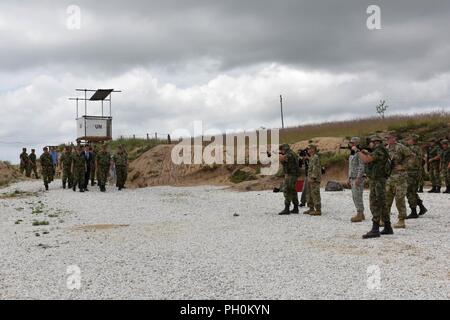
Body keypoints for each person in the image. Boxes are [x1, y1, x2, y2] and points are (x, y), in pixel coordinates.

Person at [357, 135, 391, 239]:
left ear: (375, 142)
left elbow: (367, 160)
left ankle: (375, 229)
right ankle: (387, 227)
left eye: (371, 142)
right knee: (382, 203)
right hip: (378, 180)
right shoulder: (380, 150)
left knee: (375, 203)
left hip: (378, 180)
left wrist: (358, 151)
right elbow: (371, 158)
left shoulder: (379, 150)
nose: (369, 144)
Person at [384, 132, 412, 229]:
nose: (387, 139)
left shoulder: (401, 147)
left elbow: (412, 157)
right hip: (389, 178)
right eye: (386, 138)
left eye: (389, 138)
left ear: (394, 138)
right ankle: (385, 219)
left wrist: (403, 166)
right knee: (387, 199)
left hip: (400, 178)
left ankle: (401, 220)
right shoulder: (386, 148)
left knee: (399, 199)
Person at [405, 135, 428, 219]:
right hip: (415, 172)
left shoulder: (413, 148)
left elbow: (410, 161)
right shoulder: (417, 148)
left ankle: (414, 211)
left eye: (409, 139)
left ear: (413, 140)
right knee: (412, 191)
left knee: (409, 191)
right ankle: (421, 207)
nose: (407, 141)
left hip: (412, 173)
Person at [277, 144, 300, 215]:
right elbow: (283, 161)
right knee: (293, 190)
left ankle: (287, 208)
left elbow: (283, 158)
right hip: (291, 174)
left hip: (291, 175)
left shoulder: (290, 154)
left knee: (287, 190)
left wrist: (276, 155)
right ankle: (296, 208)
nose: (281, 151)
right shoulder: (291, 153)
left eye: (281, 150)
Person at [347, 137, 366, 222]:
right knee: (354, 196)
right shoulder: (352, 153)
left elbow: (362, 166)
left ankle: (360, 213)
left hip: (358, 178)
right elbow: (351, 167)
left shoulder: (360, 153)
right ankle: (360, 213)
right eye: (351, 143)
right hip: (352, 177)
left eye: (353, 143)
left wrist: (359, 178)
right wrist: (349, 178)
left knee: (358, 196)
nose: (351, 144)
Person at [304, 145, 322, 216]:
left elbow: (316, 168)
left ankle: (318, 210)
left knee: (315, 193)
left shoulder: (315, 157)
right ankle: (311, 208)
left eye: (309, 149)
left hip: (314, 179)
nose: (308, 150)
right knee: (309, 194)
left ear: (313, 149)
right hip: (310, 178)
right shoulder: (312, 157)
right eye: (308, 149)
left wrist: (313, 177)